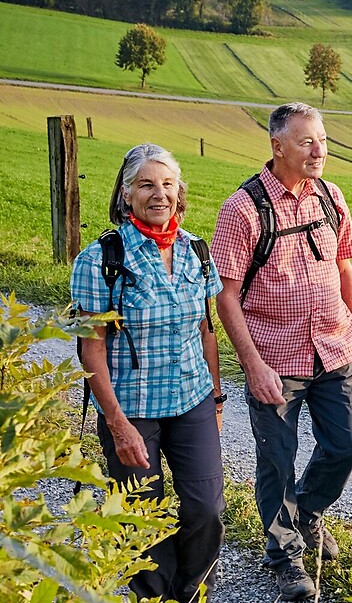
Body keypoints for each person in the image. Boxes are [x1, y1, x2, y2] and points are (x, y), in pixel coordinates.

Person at [212, 102, 352, 601]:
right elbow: (226, 296)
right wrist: (252, 365)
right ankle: (283, 556)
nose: (319, 150)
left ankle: (306, 515)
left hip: (333, 345)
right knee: (277, 460)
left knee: (347, 446)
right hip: (274, 357)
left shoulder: (330, 196)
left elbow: (345, 269)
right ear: (277, 147)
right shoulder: (243, 208)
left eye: (322, 139)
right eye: (307, 142)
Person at [71, 143, 225, 602]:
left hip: (192, 398)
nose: (159, 194)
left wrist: (216, 398)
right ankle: (152, 595)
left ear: (180, 193)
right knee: (142, 512)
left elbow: (205, 328)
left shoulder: (196, 249)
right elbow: (91, 350)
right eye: (146, 185)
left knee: (207, 508)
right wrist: (117, 424)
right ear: (126, 194)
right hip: (131, 408)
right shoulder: (100, 259)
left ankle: (193, 591)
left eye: (167, 184)